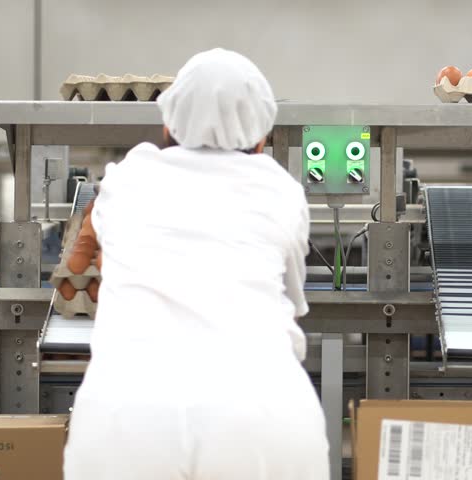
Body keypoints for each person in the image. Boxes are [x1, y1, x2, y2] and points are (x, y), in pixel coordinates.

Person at [63, 48, 329, 479]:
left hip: (128, 418)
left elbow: (89, 251)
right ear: (261, 139)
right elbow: (293, 301)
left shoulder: (127, 179)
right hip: (261, 416)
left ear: (168, 124)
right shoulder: (280, 192)